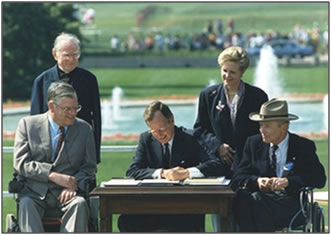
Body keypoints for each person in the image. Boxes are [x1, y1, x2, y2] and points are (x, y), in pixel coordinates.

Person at [118, 101, 224, 232]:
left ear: (172, 120)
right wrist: (162, 173)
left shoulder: (191, 138)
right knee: (126, 220)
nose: (159, 135)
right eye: (154, 131)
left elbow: (216, 165)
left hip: (185, 208)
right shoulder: (146, 139)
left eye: (162, 129)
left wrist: (186, 173)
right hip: (152, 206)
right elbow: (133, 170)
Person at [193, 46, 268, 232]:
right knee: (221, 221)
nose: (227, 76)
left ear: (242, 72)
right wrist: (218, 146)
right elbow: (199, 129)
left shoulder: (258, 96)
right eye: (224, 71)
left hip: (248, 167)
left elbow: (262, 132)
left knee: (247, 219)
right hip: (219, 168)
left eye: (232, 72)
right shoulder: (208, 96)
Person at [231, 98, 326, 232]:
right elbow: (238, 176)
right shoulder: (253, 143)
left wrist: (288, 182)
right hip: (258, 202)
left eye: (267, 126)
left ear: (284, 127)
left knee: (252, 203)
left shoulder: (303, 146)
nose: (262, 130)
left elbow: (319, 179)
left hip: (291, 205)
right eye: (260, 125)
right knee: (245, 199)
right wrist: (257, 181)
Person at [14, 82, 97, 232]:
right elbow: (21, 163)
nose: (73, 113)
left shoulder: (85, 129)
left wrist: (73, 184)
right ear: (52, 107)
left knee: (79, 204)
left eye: (76, 108)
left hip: (69, 193)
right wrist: (51, 175)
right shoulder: (28, 125)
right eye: (68, 109)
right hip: (35, 192)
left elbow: (89, 167)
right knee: (26, 204)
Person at [30, 32, 101, 164]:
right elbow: (34, 121)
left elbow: (96, 118)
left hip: (81, 148)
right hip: (49, 151)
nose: (71, 59)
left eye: (75, 55)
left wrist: (95, 154)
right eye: (66, 55)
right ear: (55, 54)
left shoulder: (89, 79)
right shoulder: (41, 81)